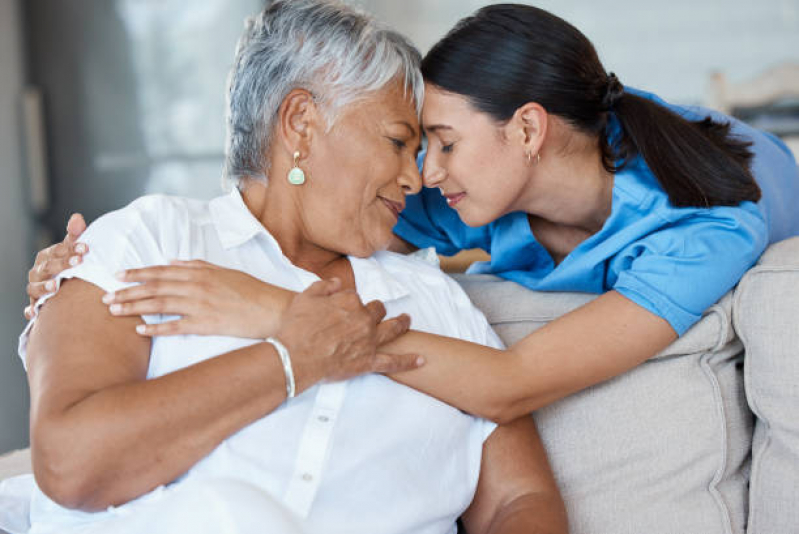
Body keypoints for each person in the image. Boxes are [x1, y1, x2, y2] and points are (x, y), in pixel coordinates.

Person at [7, 2, 568, 534]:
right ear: (300, 121)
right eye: (398, 142)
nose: (414, 179)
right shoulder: (149, 241)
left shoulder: (435, 302)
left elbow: (521, 499)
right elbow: (69, 464)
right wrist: (292, 359)